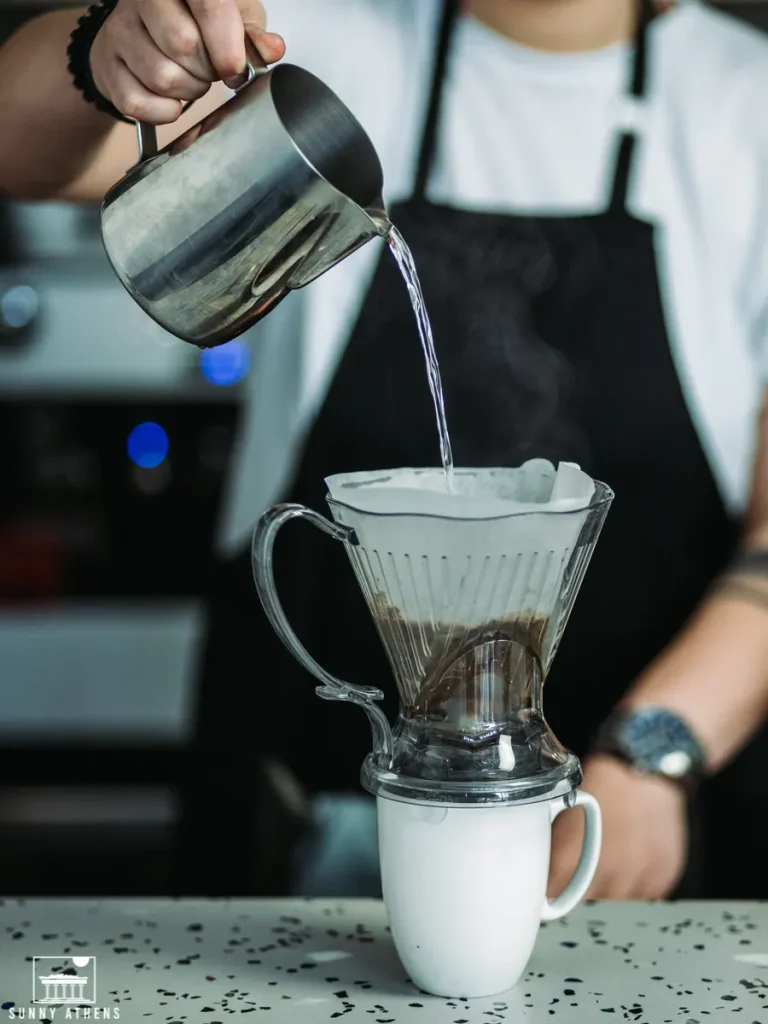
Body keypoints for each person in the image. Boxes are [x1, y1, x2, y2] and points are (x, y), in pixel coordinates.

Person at [3, 0, 768, 900]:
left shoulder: (744, 105)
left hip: (617, 833)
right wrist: (107, 49)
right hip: (299, 818)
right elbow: (24, 151)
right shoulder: (313, 45)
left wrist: (654, 748)